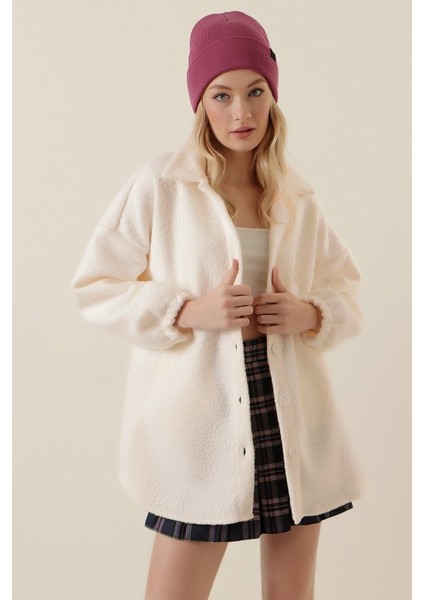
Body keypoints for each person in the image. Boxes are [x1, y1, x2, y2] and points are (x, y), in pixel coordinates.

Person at [71, 10, 364, 600]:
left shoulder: (295, 195)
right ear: (200, 102)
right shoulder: (162, 184)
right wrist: (184, 311)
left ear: (273, 96)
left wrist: (311, 314)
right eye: (221, 94)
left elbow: (346, 288)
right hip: (199, 416)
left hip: (291, 406)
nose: (241, 113)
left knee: (292, 589)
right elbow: (95, 285)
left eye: (256, 92)